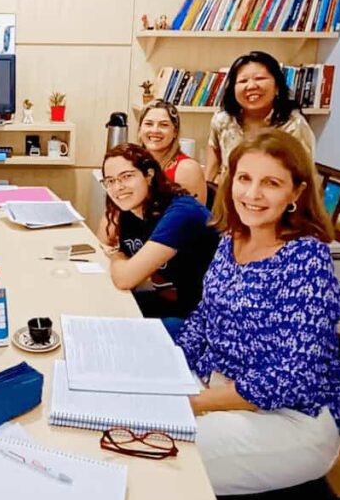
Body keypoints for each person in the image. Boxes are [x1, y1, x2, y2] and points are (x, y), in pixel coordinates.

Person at [176, 128, 340, 496]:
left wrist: (193, 403)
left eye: (270, 183)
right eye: (244, 179)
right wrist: (168, 368)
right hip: (222, 389)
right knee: (126, 426)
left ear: (296, 193)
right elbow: (204, 319)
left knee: (157, 455)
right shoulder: (230, 240)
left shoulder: (307, 260)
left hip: (292, 420)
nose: (252, 194)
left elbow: (292, 377)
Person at [96, 143, 219, 321]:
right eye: (110, 181)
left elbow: (126, 278)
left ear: (149, 175)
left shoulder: (180, 213)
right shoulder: (131, 209)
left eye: (127, 176)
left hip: (200, 316)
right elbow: (104, 244)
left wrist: (116, 255)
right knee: (100, 307)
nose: (118, 187)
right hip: (167, 303)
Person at [205, 50, 316, 184]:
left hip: (273, 201)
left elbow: (304, 177)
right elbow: (211, 169)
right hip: (226, 197)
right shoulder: (222, 120)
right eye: (243, 81)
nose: (251, 86)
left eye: (260, 78)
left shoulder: (294, 125)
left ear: (277, 87)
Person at [137, 100, 206, 205]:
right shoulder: (133, 163)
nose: (155, 130)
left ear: (175, 132)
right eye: (149, 124)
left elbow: (192, 218)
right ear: (140, 129)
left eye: (164, 125)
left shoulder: (187, 169)